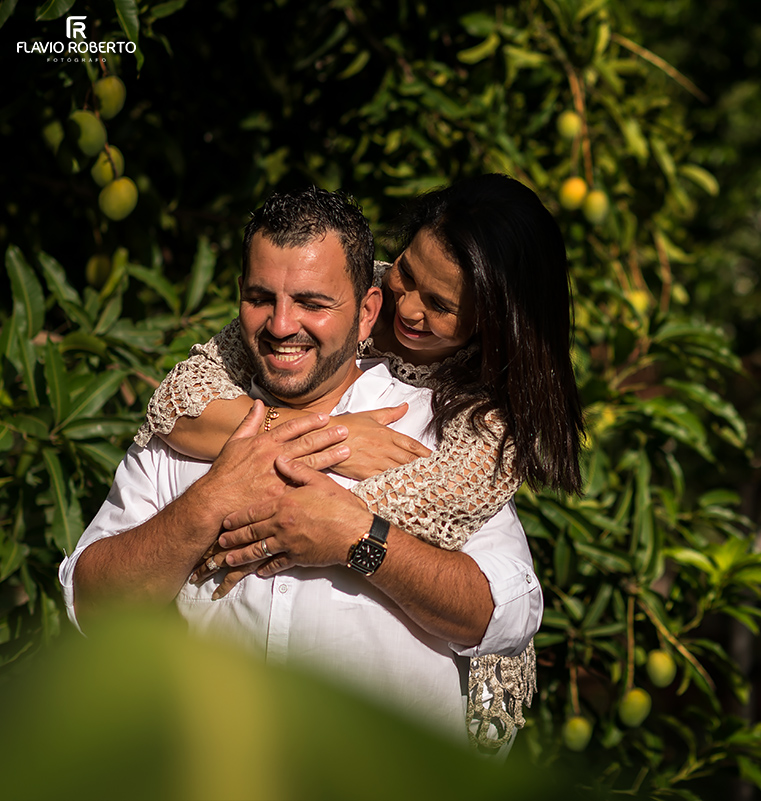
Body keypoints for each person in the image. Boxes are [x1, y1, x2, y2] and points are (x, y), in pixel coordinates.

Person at [58, 186, 546, 747]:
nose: (282, 324)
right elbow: (92, 606)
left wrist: (355, 536)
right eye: (261, 297)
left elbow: (504, 615)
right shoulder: (201, 419)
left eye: (314, 303)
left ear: (365, 311)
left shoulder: (447, 435)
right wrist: (222, 490)